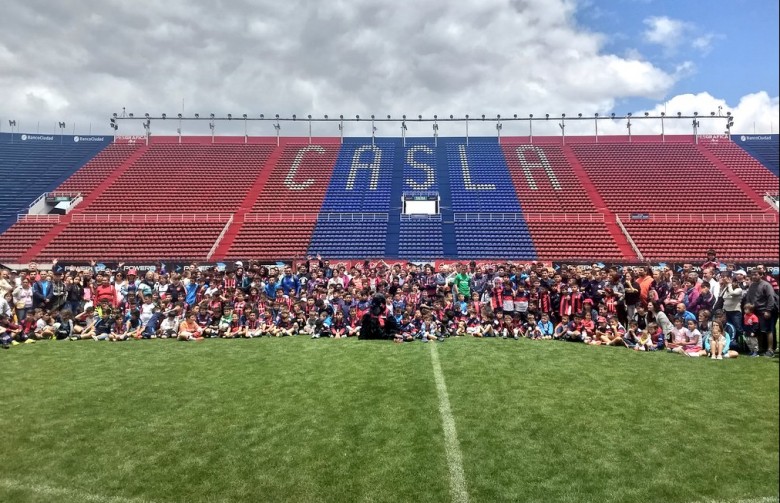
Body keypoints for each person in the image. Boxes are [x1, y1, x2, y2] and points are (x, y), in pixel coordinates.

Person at [744, 270, 778, 357]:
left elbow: (771, 298)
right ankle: (760, 348)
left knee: (768, 331)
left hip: (764, 311)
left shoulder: (766, 285)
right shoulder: (752, 285)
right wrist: (748, 309)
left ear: (761, 275)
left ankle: (770, 350)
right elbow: (748, 298)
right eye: (752, 275)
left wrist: (768, 310)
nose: (753, 276)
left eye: (755, 275)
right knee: (757, 331)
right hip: (754, 312)